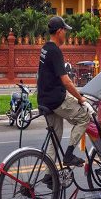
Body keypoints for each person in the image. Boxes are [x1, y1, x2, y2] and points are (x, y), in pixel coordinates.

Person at [37, 16, 90, 168]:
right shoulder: (55, 51)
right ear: (59, 31)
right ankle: (68, 155)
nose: (66, 34)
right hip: (55, 100)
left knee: (56, 135)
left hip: (44, 99)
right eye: (65, 31)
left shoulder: (45, 48)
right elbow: (66, 81)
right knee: (84, 118)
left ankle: (49, 175)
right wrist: (80, 99)